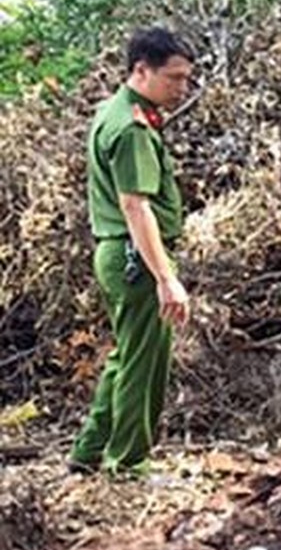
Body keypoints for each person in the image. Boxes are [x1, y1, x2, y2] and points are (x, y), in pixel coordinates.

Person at [70, 27, 196, 476]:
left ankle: (89, 452)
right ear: (140, 70)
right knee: (144, 364)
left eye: (186, 79)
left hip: (118, 254)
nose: (182, 89)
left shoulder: (113, 112)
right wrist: (166, 278)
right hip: (135, 259)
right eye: (174, 78)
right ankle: (128, 464)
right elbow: (135, 206)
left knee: (127, 356)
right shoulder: (132, 127)